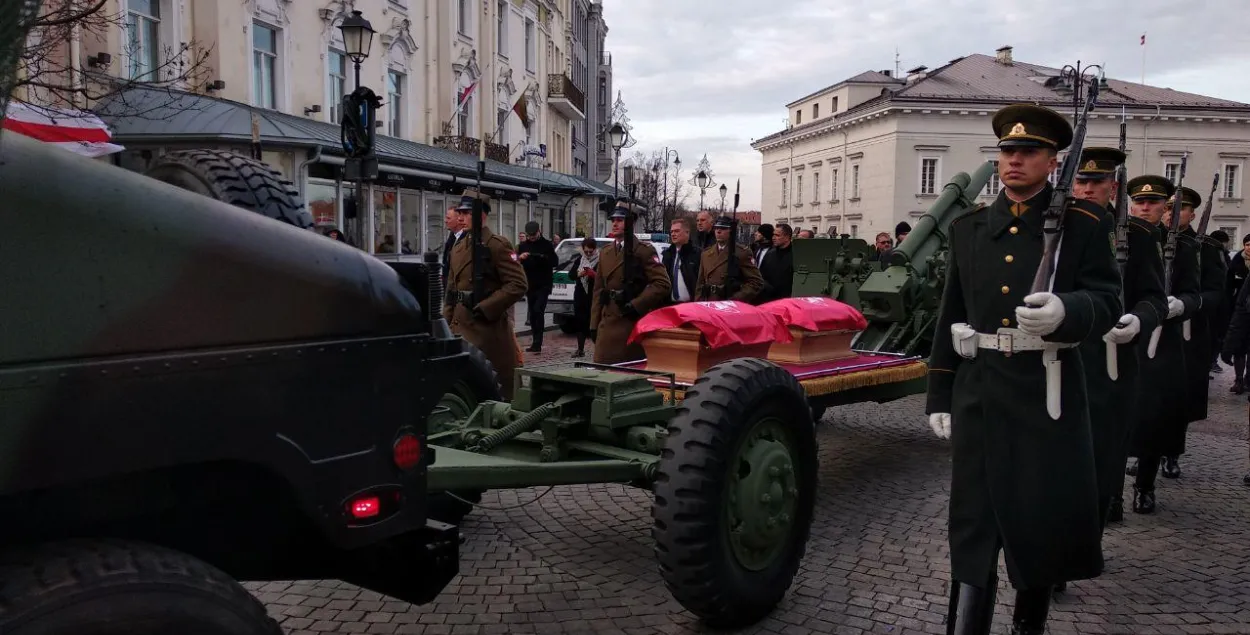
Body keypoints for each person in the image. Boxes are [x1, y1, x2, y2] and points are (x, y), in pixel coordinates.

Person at [925, 104, 1121, 635]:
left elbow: (1107, 298)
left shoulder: (1081, 225)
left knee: (1038, 517)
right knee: (973, 521)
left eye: (1028, 152)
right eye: (1007, 151)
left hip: (1044, 391)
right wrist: (940, 395)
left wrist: (1068, 311)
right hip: (981, 389)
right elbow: (952, 314)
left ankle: (1028, 624)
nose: (1015, 161)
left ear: (1052, 162)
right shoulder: (968, 229)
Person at [1070, 147, 1167, 527]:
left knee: (1103, 449)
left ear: (1113, 187)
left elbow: (1155, 298)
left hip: (1111, 360)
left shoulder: (1139, 235)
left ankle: (1101, 508)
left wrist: (1138, 320)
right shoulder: (1051, 228)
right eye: (1082, 180)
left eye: (1097, 182)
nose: (1088, 188)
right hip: (1062, 358)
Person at [1124, 175, 1201, 513]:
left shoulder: (1181, 247)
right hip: (1122, 336)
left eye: (1153, 202)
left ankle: (1145, 486)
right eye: (1139, 202)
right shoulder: (1115, 240)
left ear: (1164, 207)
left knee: (1154, 416)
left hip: (1161, 341)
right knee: (1116, 417)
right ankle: (1110, 493)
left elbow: (1197, 294)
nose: (1144, 207)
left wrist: (1180, 304)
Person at [1163, 186, 1227, 478]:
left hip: (1189, 330)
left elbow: (1217, 292)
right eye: (1167, 209)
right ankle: (1146, 450)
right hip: (1153, 327)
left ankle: (1171, 452)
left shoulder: (1206, 248)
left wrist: (1193, 303)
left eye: (1179, 210)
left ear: (1192, 213)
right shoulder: (1149, 239)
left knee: (1180, 396)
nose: (1171, 215)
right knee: (1150, 395)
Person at [443, 188, 529, 400]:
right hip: (460, 325)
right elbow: (451, 291)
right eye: (459, 213)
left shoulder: (497, 245)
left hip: (487, 330)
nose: (461, 217)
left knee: (495, 393)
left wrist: (487, 306)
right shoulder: (459, 246)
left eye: (466, 213)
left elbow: (518, 284)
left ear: (481, 214)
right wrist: (444, 324)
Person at [589, 202, 671, 364]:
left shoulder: (643, 251)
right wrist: (593, 323)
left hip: (630, 322)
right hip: (608, 321)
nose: (615, 223)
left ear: (631, 223)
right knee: (602, 371)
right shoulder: (606, 252)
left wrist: (636, 304)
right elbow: (598, 290)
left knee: (626, 373)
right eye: (613, 220)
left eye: (620, 220)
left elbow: (662, 283)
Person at [695, 215, 764, 303]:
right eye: (716, 228)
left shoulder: (741, 253)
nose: (718, 231)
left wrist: (736, 298)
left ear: (730, 231)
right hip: (709, 302)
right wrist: (698, 302)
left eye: (723, 229)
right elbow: (700, 283)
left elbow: (756, 282)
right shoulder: (706, 253)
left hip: (729, 303)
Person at [517, 220, 558, 353]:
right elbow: (513, 260)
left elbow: (555, 261)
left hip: (544, 284)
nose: (532, 237)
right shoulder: (523, 246)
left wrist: (542, 257)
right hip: (530, 284)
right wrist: (520, 258)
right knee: (533, 314)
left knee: (538, 310)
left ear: (539, 231)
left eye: (534, 235)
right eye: (529, 235)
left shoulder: (546, 244)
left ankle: (538, 342)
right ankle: (535, 342)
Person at [567, 237, 599, 357]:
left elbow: (604, 279)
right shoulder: (580, 259)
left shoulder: (600, 260)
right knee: (580, 322)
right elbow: (571, 275)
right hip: (581, 294)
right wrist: (578, 274)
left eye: (591, 251)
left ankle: (598, 350)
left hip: (594, 295)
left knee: (594, 323)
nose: (589, 254)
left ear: (595, 249)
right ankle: (580, 349)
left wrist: (594, 275)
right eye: (586, 251)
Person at [662, 216, 700, 303]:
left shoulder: (697, 254)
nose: (673, 234)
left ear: (687, 232)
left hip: (691, 306)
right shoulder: (667, 254)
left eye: (677, 231)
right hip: (669, 306)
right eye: (671, 231)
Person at [757, 222, 795, 303]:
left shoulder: (796, 255)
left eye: (777, 235)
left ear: (787, 237)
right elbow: (762, 275)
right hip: (770, 299)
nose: (773, 238)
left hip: (789, 299)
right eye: (773, 235)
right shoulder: (770, 254)